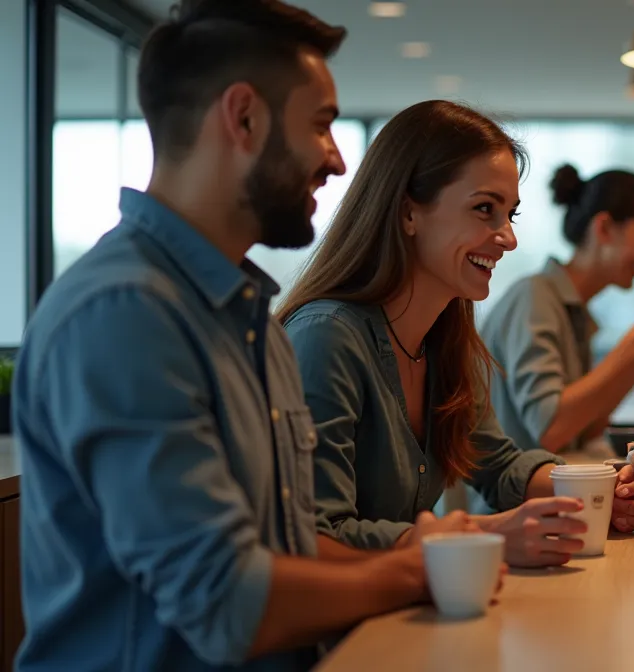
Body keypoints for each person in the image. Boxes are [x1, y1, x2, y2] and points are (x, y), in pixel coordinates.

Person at [11, 2, 474, 670]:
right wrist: (417, 571)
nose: (337, 159)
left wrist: (424, 551)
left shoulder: (248, 317)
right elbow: (226, 601)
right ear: (244, 117)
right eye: (321, 124)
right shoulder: (126, 314)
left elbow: (286, 548)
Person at [278, 101, 634, 568]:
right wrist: (487, 535)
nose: (508, 238)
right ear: (408, 212)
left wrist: (595, 489)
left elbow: (499, 465)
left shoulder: (446, 340)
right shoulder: (326, 338)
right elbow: (317, 536)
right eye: (484, 209)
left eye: (510, 215)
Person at [480, 166, 634, 455]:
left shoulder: (569, 310)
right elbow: (551, 429)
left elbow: (586, 427)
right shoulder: (533, 297)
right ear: (603, 227)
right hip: (509, 487)